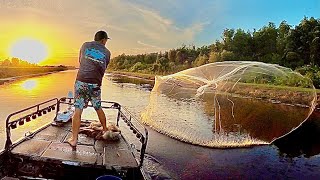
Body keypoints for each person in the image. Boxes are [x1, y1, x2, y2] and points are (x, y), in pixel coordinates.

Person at [67, 30, 111, 149]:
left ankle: (74, 139)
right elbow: (104, 67)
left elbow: (81, 61)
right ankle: (105, 129)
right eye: (106, 40)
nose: (106, 42)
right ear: (103, 40)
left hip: (81, 81)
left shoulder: (85, 45)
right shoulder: (107, 52)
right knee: (98, 107)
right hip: (95, 84)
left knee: (78, 110)